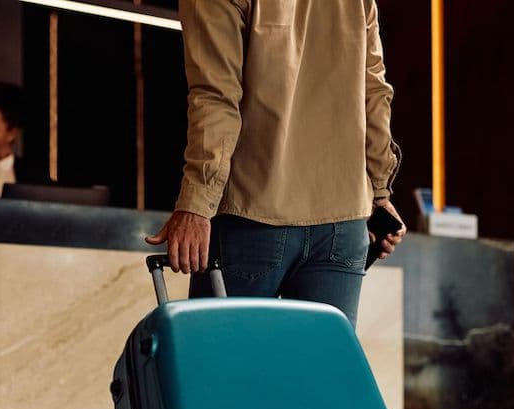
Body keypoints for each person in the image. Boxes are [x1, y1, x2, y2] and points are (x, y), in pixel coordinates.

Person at [145, 0, 406, 327]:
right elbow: (375, 94)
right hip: (344, 222)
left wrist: (196, 204)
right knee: (319, 377)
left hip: (253, 217)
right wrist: (380, 192)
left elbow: (215, 99)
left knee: (224, 371)